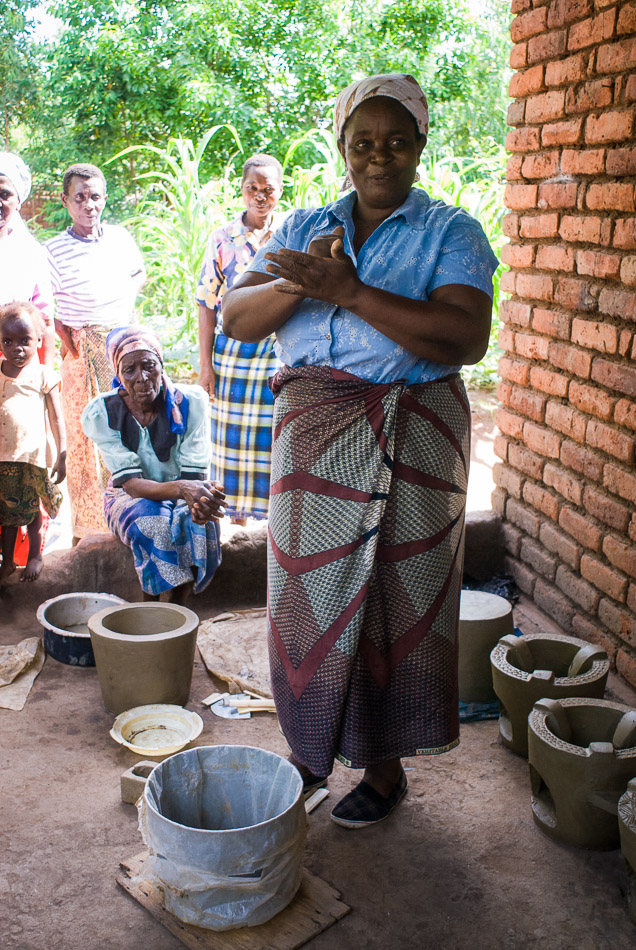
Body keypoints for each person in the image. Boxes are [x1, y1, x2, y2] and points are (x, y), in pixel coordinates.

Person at [222, 74, 499, 828]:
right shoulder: (304, 225)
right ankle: (310, 753)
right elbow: (237, 318)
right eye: (363, 142)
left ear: (420, 145)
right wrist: (305, 281)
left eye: (397, 141)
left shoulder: (452, 232)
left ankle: (384, 767)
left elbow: (464, 337)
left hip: (415, 438)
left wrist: (350, 292)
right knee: (306, 600)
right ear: (343, 146)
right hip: (316, 440)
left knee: (392, 605)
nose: (380, 157)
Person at [81, 326, 225, 603]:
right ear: (118, 375)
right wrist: (185, 489)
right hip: (127, 496)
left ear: (161, 365)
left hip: (185, 488)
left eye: (149, 366)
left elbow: (194, 474)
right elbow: (133, 486)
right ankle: (151, 607)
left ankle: (179, 605)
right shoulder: (103, 412)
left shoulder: (190, 403)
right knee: (153, 521)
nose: (142, 378)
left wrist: (200, 496)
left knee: (199, 519)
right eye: (129, 370)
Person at [46, 163, 146, 541]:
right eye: (80, 198)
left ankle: (125, 520)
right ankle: (87, 531)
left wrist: (125, 306)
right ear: (66, 201)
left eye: (96, 197)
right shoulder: (53, 250)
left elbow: (138, 274)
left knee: (127, 432)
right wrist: (67, 332)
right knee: (85, 437)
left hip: (123, 349)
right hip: (80, 352)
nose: (89, 205)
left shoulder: (119, 238)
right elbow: (45, 303)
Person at [196, 154, 284, 525]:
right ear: (242, 190)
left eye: (268, 190)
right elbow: (205, 303)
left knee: (272, 442)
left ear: (279, 191)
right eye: (253, 188)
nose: (260, 197)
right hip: (231, 356)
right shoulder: (223, 238)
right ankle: (236, 525)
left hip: (276, 354)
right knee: (230, 447)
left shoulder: (290, 233)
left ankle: (270, 527)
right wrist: (206, 366)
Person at [0, 301, 66, 583]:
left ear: (39, 340)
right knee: (7, 511)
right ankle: (7, 562)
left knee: (33, 509)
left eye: (25, 340)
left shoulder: (42, 375)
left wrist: (62, 453)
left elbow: (57, 418)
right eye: (8, 341)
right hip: (4, 457)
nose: (17, 348)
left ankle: (34, 556)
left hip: (33, 456)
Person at [0, 153, 55, 364]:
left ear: (18, 201)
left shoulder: (31, 253)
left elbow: (45, 321)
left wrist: (45, 377)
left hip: (16, 368)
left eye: (5, 194)